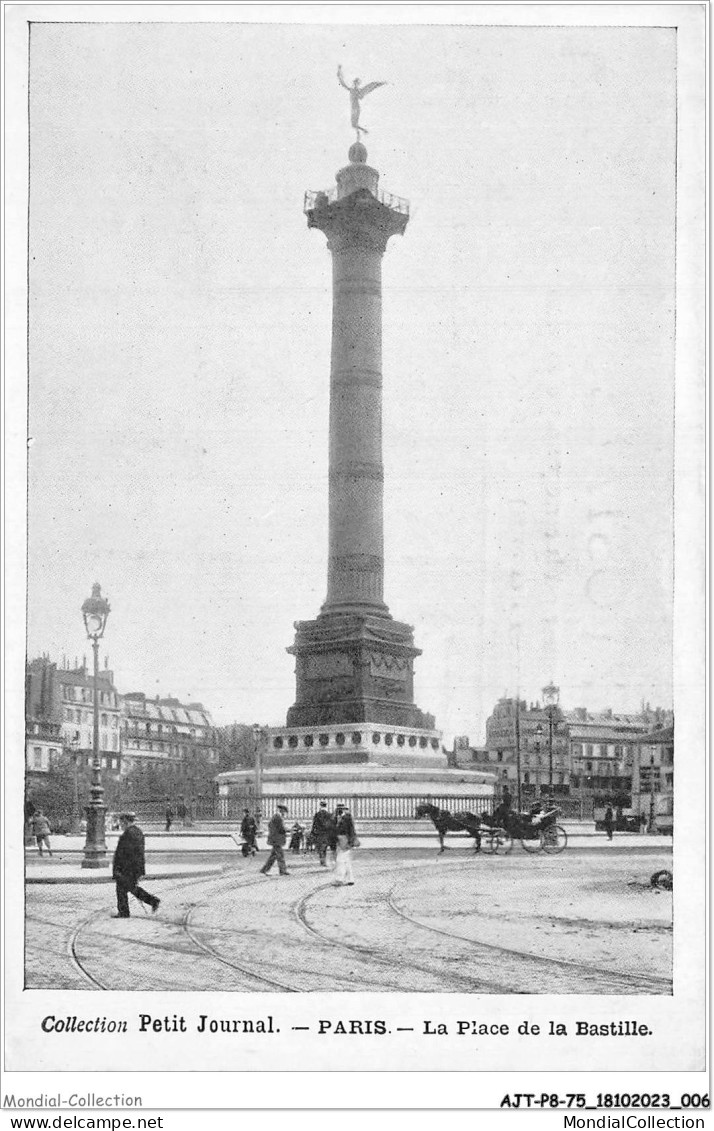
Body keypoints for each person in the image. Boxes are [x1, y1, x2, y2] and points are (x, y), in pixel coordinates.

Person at [112, 812, 160, 918]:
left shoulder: (129, 834)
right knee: (130, 888)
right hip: (134, 868)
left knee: (122, 889)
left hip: (128, 869)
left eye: (121, 822)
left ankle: (124, 912)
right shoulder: (137, 831)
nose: (121, 825)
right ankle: (152, 901)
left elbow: (126, 854)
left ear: (125, 822)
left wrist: (120, 869)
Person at [260, 805, 290, 876]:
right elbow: (281, 829)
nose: (284, 814)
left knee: (273, 856)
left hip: (275, 839)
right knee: (280, 855)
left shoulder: (276, 817)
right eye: (284, 812)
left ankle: (264, 869)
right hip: (276, 840)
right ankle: (282, 871)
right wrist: (288, 830)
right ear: (282, 811)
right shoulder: (278, 818)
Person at [333, 803, 358, 886]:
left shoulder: (347, 818)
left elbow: (351, 830)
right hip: (340, 840)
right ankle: (350, 879)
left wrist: (350, 842)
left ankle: (339, 879)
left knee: (340, 860)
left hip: (345, 840)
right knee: (346, 861)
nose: (339, 810)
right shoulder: (336, 818)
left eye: (341, 809)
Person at [311, 801, 335, 867]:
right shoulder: (329, 814)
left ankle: (322, 861)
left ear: (320, 806)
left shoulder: (317, 814)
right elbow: (332, 825)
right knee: (327, 847)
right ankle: (330, 861)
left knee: (321, 848)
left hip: (319, 834)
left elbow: (314, 825)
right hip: (327, 834)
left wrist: (313, 833)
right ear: (326, 806)